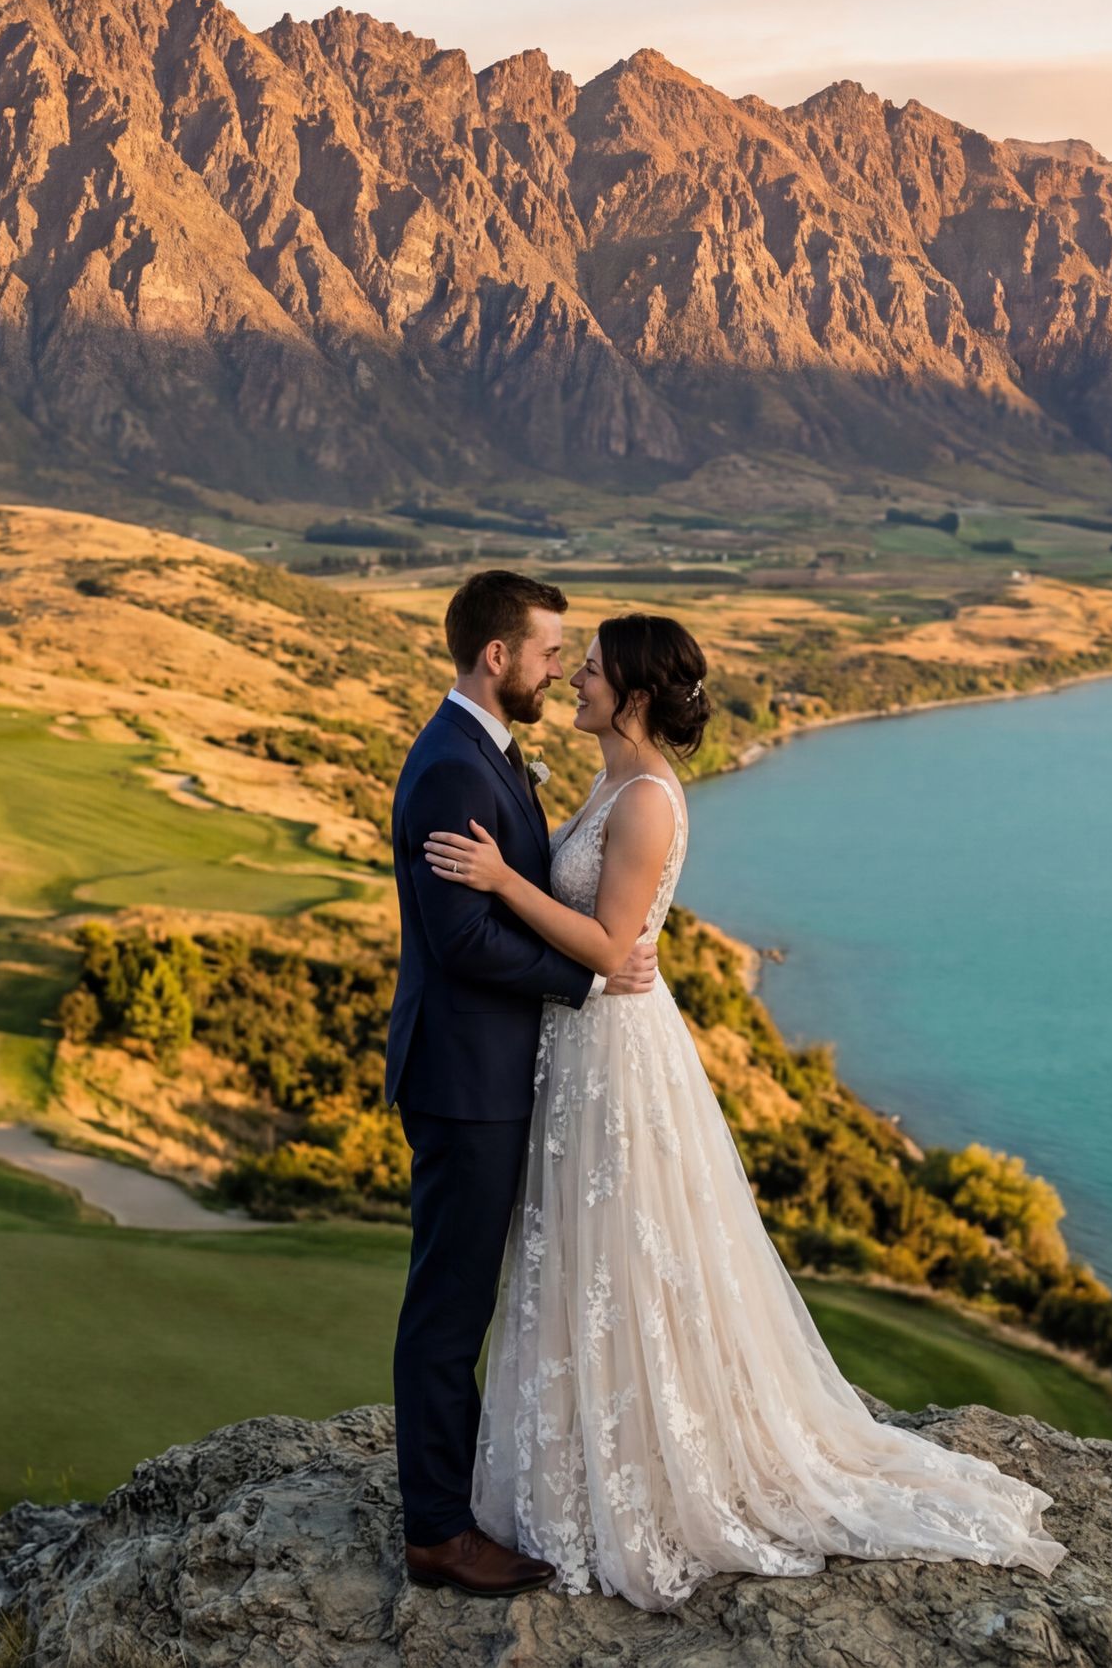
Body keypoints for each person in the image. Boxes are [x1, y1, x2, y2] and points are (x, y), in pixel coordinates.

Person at [424, 610, 1068, 1612]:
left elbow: (607, 946)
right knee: (587, 1250)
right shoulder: (610, 779)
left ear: (634, 695)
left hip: (614, 1053)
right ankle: (593, 1454)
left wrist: (503, 878)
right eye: (576, 665)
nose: (575, 682)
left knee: (626, 1247)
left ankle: (652, 1465)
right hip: (581, 1043)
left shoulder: (646, 802)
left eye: (591, 672)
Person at [387, 570, 657, 1598]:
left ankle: (450, 1509)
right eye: (550, 651)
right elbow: (460, 940)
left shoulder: (480, 750)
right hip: (465, 1078)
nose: (560, 666)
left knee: (460, 1300)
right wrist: (588, 975)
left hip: (490, 1069)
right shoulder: (455, 768)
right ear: (496, 657)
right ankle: (438, 1536)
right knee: (449, 1309)